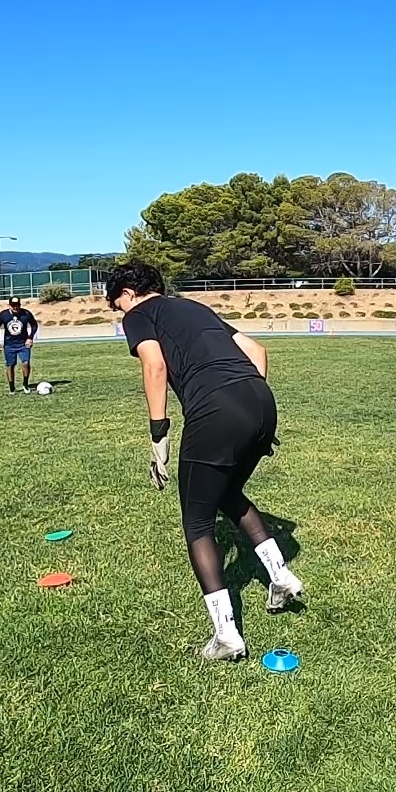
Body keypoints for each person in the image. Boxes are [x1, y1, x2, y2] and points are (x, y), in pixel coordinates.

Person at [107, 262, 303, 660]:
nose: (120, 315)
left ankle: (226, 635)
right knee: (229, 493)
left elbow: (154, 365)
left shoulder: (140, 314)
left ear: (127, 293)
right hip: (260, 402)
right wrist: (249, 412)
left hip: (216, 410)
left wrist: (158, 434)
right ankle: (280, 577)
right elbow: (256, 351)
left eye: (117, 306)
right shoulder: (194, 307)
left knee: (197, 523)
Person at [0, 296, 38, 392]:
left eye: (17, 305)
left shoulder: (26, 314)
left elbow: (34, 325)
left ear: (20, 305)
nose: (15, 307)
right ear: (9, 305)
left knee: (26, 363)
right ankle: (12, 387)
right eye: (13, 305)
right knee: (10, 365)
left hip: (23, 343)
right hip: (9, 344)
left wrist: (30, 338)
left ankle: (25, 384)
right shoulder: (3, 315)